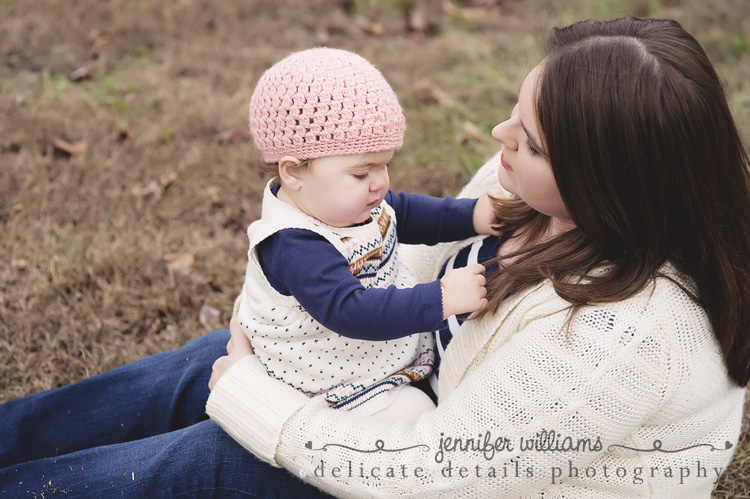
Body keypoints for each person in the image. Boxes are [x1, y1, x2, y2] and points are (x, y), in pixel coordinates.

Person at [0, 16, 748, 498]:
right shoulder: (531, 192)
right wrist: (287, 338)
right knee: (202, 365)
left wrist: (255, 398)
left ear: (605, 181)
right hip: (406, 391)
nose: (497, 137)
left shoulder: (624, 338)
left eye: (528, 139)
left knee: (209, 457)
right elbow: (400, 258)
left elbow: (427, 477)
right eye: (516, 115)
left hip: (431, 471)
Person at [236, 47, 498, 420]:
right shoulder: (296, 244)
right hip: (331, 376)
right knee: (417, 418)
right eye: (362, 173)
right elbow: (352, 312)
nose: (380, 184)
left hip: (369, 350)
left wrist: (473, 214)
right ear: (293, 172)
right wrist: (440, 298)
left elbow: (405, 211)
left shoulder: (343, 202)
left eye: (385, 165)